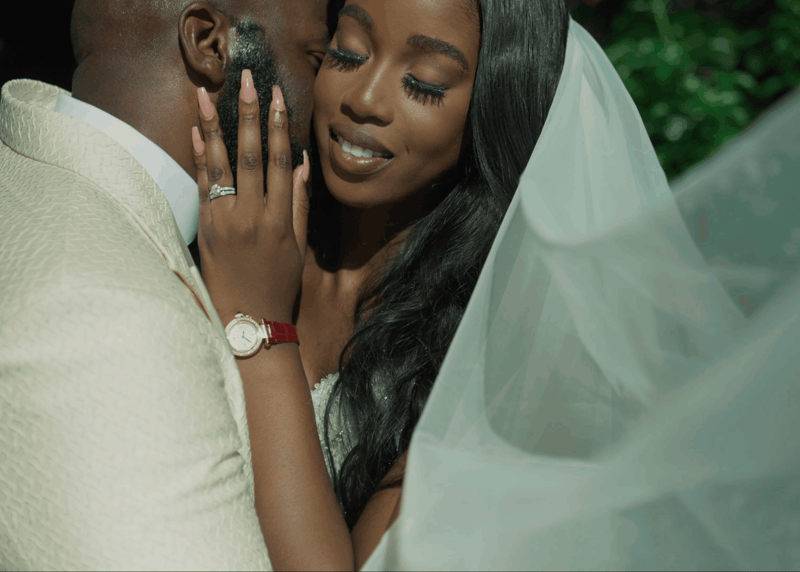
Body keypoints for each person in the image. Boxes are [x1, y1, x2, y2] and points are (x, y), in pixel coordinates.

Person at [191, 0, 569, 568]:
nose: (364, 99)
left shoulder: (491, 353)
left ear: (495, 107)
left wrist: (260, 323)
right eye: (347, 52)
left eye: (425, 83)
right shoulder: (235, 230)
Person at [0, 0, 329, 569]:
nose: (334, 98)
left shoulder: (26, 168)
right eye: (316, 58)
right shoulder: (122, 325)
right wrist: (260, 325)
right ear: (210, 44)